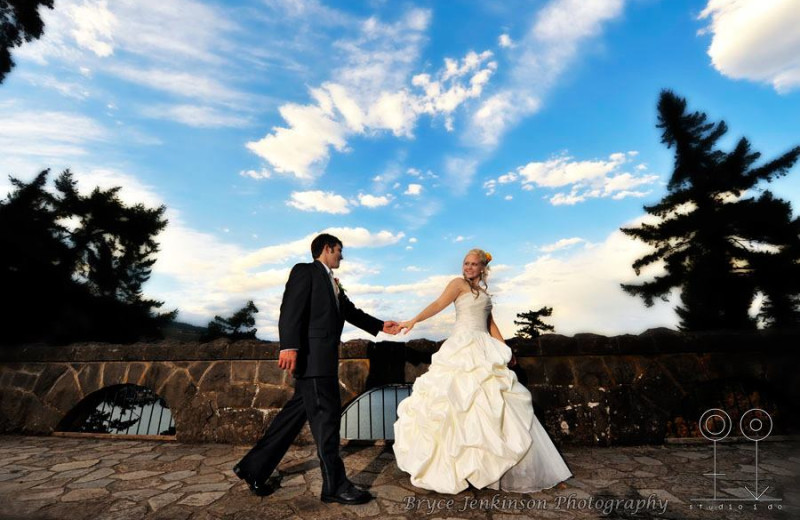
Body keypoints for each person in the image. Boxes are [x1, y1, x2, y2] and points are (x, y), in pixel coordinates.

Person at [234, 233, 400, 504]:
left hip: (320, 362)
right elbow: (290, 309)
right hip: (314, 362)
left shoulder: (333, 283)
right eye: (339, 251)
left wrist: (382, 326)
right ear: (327, 248)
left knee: (291, 420)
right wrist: (288, 346)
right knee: (327, 424)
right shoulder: (305, 271)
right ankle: (334, 486)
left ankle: (253, 467)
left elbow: (351, 312)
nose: (341, 256)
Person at [393, 248, 572, 494]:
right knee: (457, 403)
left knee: (495, 404)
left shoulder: (484, 293)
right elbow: (437, 304)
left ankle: (497, 468)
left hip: (483, 346)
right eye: (466, 263)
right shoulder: (457, 285)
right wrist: (413, 320)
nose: (468, 267)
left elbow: (490, 324)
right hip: (462, 346)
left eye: (473, 264)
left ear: (482, 268)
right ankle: (458, 467)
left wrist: (506, 349)